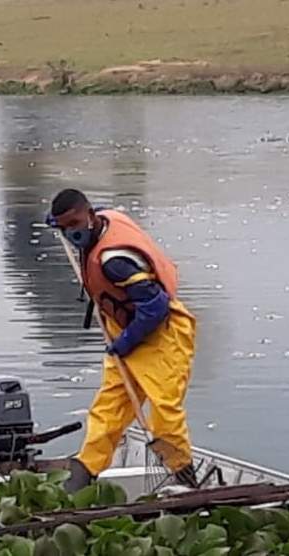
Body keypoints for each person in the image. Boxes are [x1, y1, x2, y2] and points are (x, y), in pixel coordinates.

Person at [46, 189, 199, 491]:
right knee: (109, 407)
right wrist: (55, 220)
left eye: (75, 224)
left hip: (161, 334)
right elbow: (71, 216)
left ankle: (184, 478)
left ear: (89, 216)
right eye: (65, 228)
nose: (71, 233)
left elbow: (154, 307)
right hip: (124, 327)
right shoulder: (100, 220)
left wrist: (125, 343)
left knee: (164, 412)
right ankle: (84, 471)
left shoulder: (114, 261)